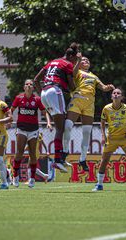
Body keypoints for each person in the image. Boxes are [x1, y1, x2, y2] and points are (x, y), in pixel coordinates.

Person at [63, 56, 115, 171]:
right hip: (77, 100)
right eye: (84, 60)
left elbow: (103, 87)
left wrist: (108, 87)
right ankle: (65, 151)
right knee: (67, 126)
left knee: (86, 132)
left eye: (88, 60)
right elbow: (73, 73)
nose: (86, 61)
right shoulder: (77, 70)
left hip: (89, 104)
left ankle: (82, 159)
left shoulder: (94, 76)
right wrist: (77, 61)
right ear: (79, 63)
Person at [34, 43, 80, 173]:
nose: (74, 61)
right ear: (71, 56)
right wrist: (74, 88)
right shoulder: (67, 64)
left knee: (61, 126)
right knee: (60, 128)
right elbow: (72, 86)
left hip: (44, 92)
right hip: (55, 91)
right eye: (74, 59)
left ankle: (60, 158)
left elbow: (36, 80)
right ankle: (58, 160)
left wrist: (42, 94)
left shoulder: (52, 62)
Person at [93, 88, 126, 191]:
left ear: (122, 97)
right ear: (111, 96)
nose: (116, 94)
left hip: (124, 137)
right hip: (111, 138)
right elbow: (103, 122)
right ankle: (99, 185)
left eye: (118, 93)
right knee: (104, 161)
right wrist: (103, 136)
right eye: (114, 93)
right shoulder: (106, 108)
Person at [11, 79, 51, 188]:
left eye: (31, 84)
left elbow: (44, 112)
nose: (29, 86)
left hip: (33, 130)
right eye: (27, 84)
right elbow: (11, 110)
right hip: (21, 129)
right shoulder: (19, 98)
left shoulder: (37, 100)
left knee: (33, 154)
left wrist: (48, 122)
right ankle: (15, 177)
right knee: (19, 152)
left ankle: (32, 179)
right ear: (24, 87)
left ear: (33, 88)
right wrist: (9, 119)